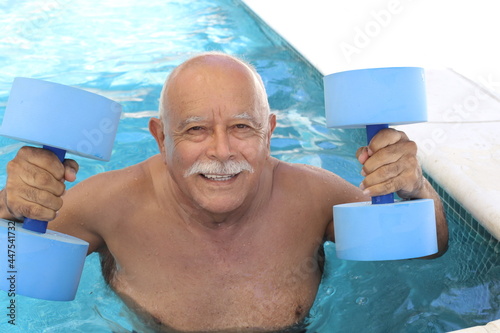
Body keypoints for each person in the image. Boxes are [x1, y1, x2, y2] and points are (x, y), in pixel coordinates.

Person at [0, 52, 448, 332]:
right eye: (195, 129)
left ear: (269, 132)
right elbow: (12, 265)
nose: (221, 151)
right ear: (160, 137)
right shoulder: (109, 206)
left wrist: (414, 185)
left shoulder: (311, 198)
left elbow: (427, 248)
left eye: (241, 127)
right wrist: (9, 203)